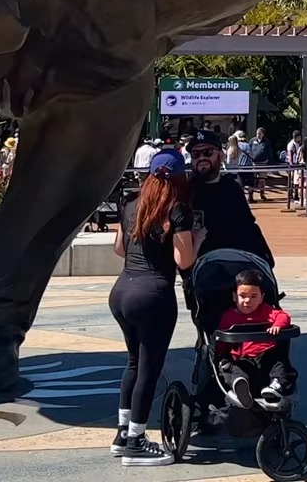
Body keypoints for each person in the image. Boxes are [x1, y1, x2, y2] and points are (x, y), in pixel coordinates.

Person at [110, 148, 200, 466]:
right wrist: (198, 238)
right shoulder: (177, 209)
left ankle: (123, 434)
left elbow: (119, 248)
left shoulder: (130, 202)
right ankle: (136, 441)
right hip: (154, 295)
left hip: (122, 291)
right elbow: (183, 260)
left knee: (133, 363)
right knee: (149, 368)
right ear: (179, 177)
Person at [184, 128, 272, 266]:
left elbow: (248, 227)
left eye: (207, 152)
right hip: (199, 270)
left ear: (221, 155)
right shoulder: (185, 192)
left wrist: (264, 260)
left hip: (232, 265)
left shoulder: (232, 189)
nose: (202, 158)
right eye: (196, 154)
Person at [214, 267, 298, 406]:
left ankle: (275, 385)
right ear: (235, 296)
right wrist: (220, 355)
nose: (248, 300)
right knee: (234, 368)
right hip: (243, 358)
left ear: (261, 298)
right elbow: (222, 341)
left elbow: (283, 316)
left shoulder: (266, 311)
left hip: (265, 355)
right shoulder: (229, 317)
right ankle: (240, 386)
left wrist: (277, 325)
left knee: (279, 362)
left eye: (254, 297)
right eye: (243, 296)